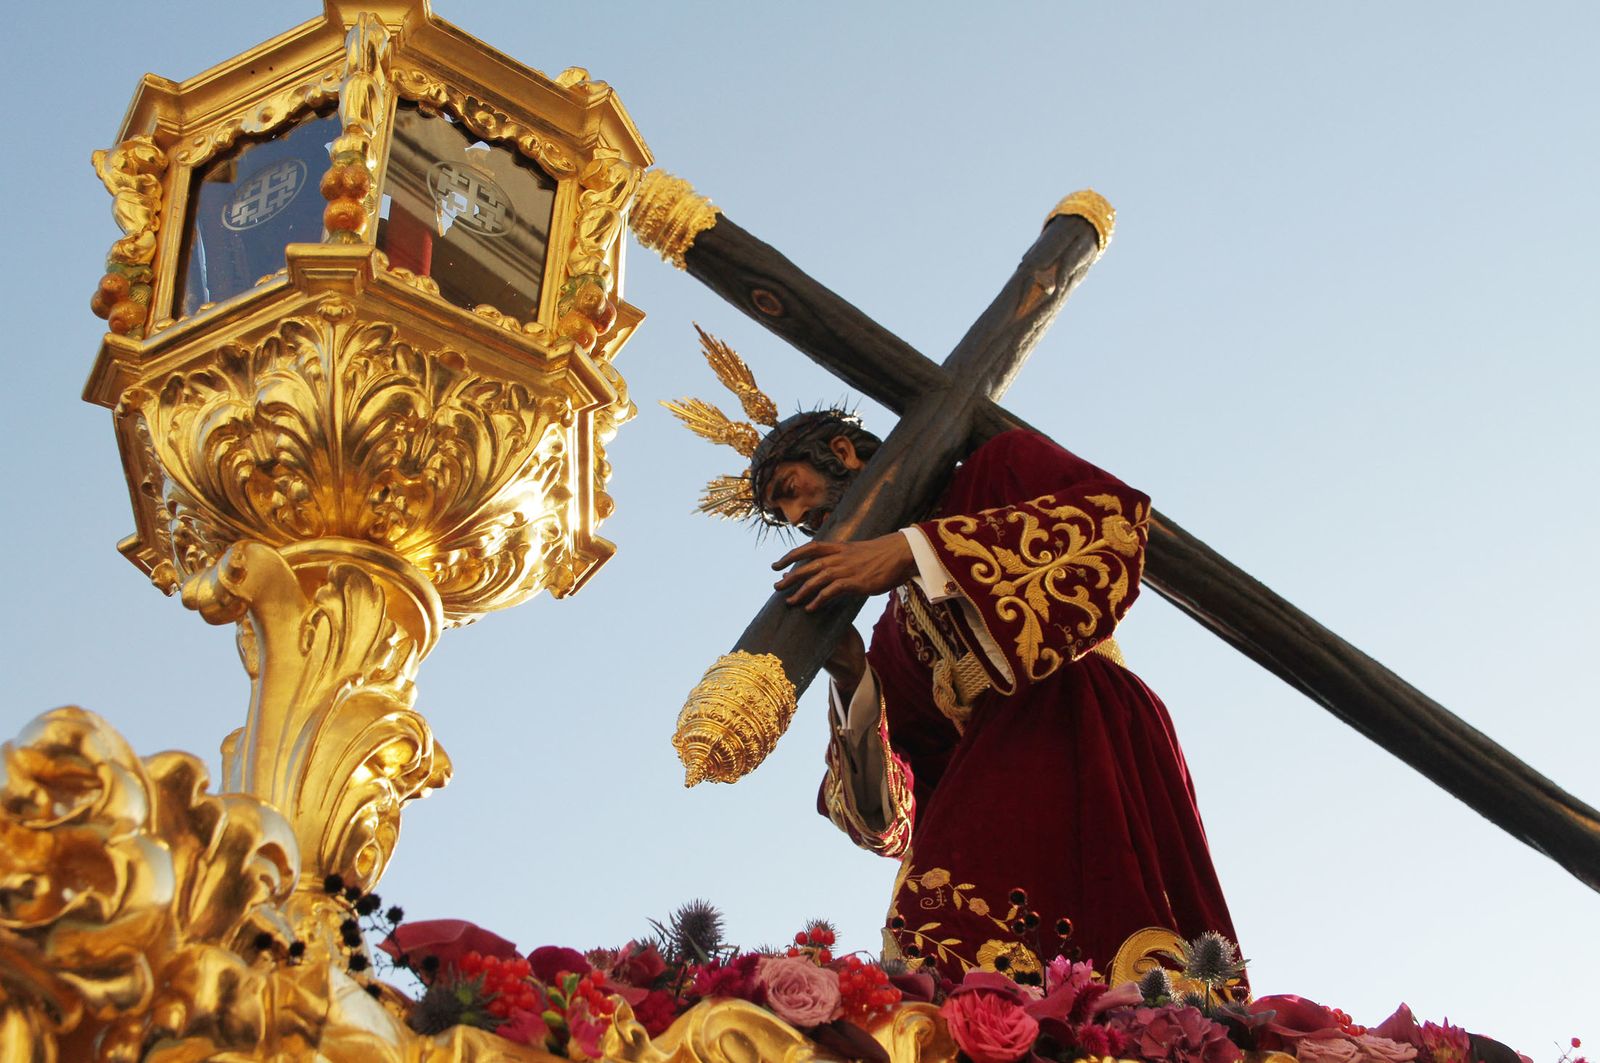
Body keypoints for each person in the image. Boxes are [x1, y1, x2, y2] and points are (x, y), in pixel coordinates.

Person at [757, 413, 1242, 983]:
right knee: (944, 933)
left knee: (1123, 929)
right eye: (782, 515)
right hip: (995, 779)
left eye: (791, 489)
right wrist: (851, 679)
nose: (799, 516)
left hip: (1081, 719)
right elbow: (894, 817)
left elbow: (1110, 523)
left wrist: (915, 552)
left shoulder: (999, 466)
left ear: (842, 451)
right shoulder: (895, 631)